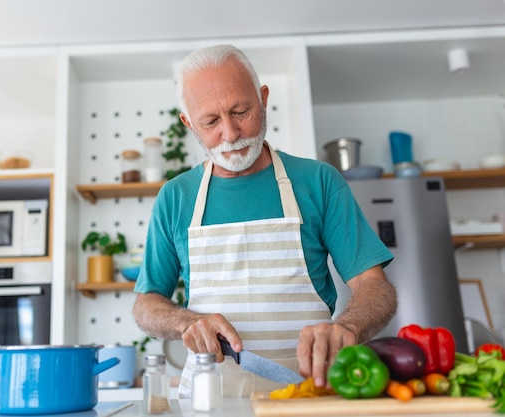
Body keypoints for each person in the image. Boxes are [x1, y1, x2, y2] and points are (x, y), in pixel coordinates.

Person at [132, 44, 397, 398]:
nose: (230, 133)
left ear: (263, 98)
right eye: (210, 121)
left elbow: (374, 285)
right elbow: (146, 302)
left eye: (241, 111)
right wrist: (187, 322)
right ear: (189, 123)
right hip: (212, 393)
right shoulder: (176, 197)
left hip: (307, 389)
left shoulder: (319, 181)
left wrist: (347, 327)